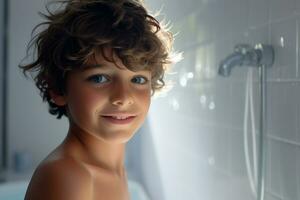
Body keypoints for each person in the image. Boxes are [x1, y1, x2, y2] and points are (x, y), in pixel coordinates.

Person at [19, 0, 180, 199]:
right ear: (58, 89)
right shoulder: (68, 176)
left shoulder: (110, 170)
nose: (123, 97)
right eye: (100, 78)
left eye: (138, 79)